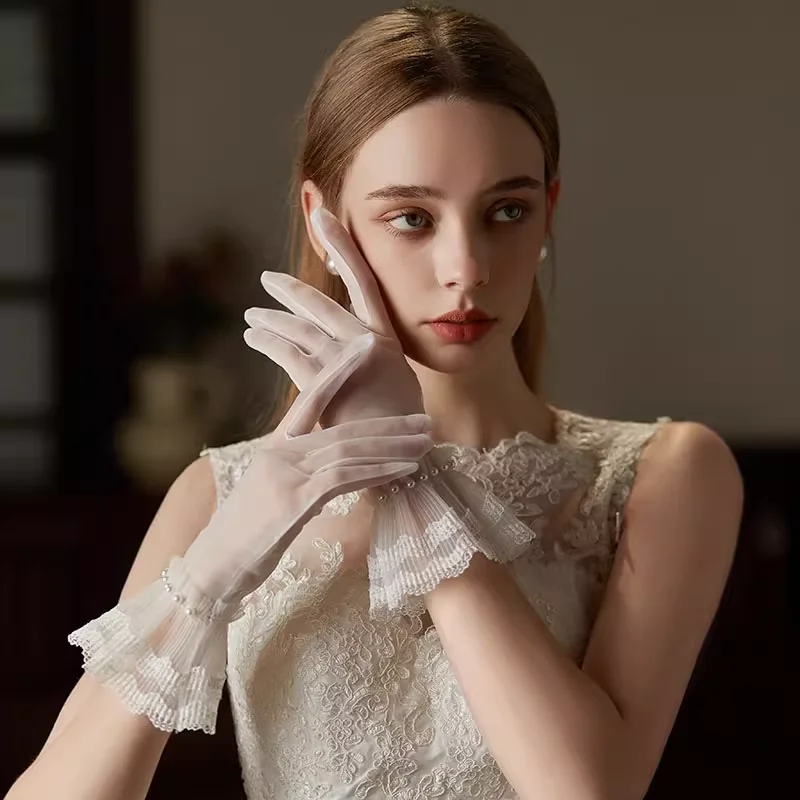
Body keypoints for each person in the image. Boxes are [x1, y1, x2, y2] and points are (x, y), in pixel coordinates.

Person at [7, 4, 743, 799]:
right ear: (328, 227)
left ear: (548, 214)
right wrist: (218, 566)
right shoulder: (217, 494)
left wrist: (409, 470)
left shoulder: (666, 475)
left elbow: (590, 790)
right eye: (412, 219)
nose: (465, 267)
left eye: (506, 210)